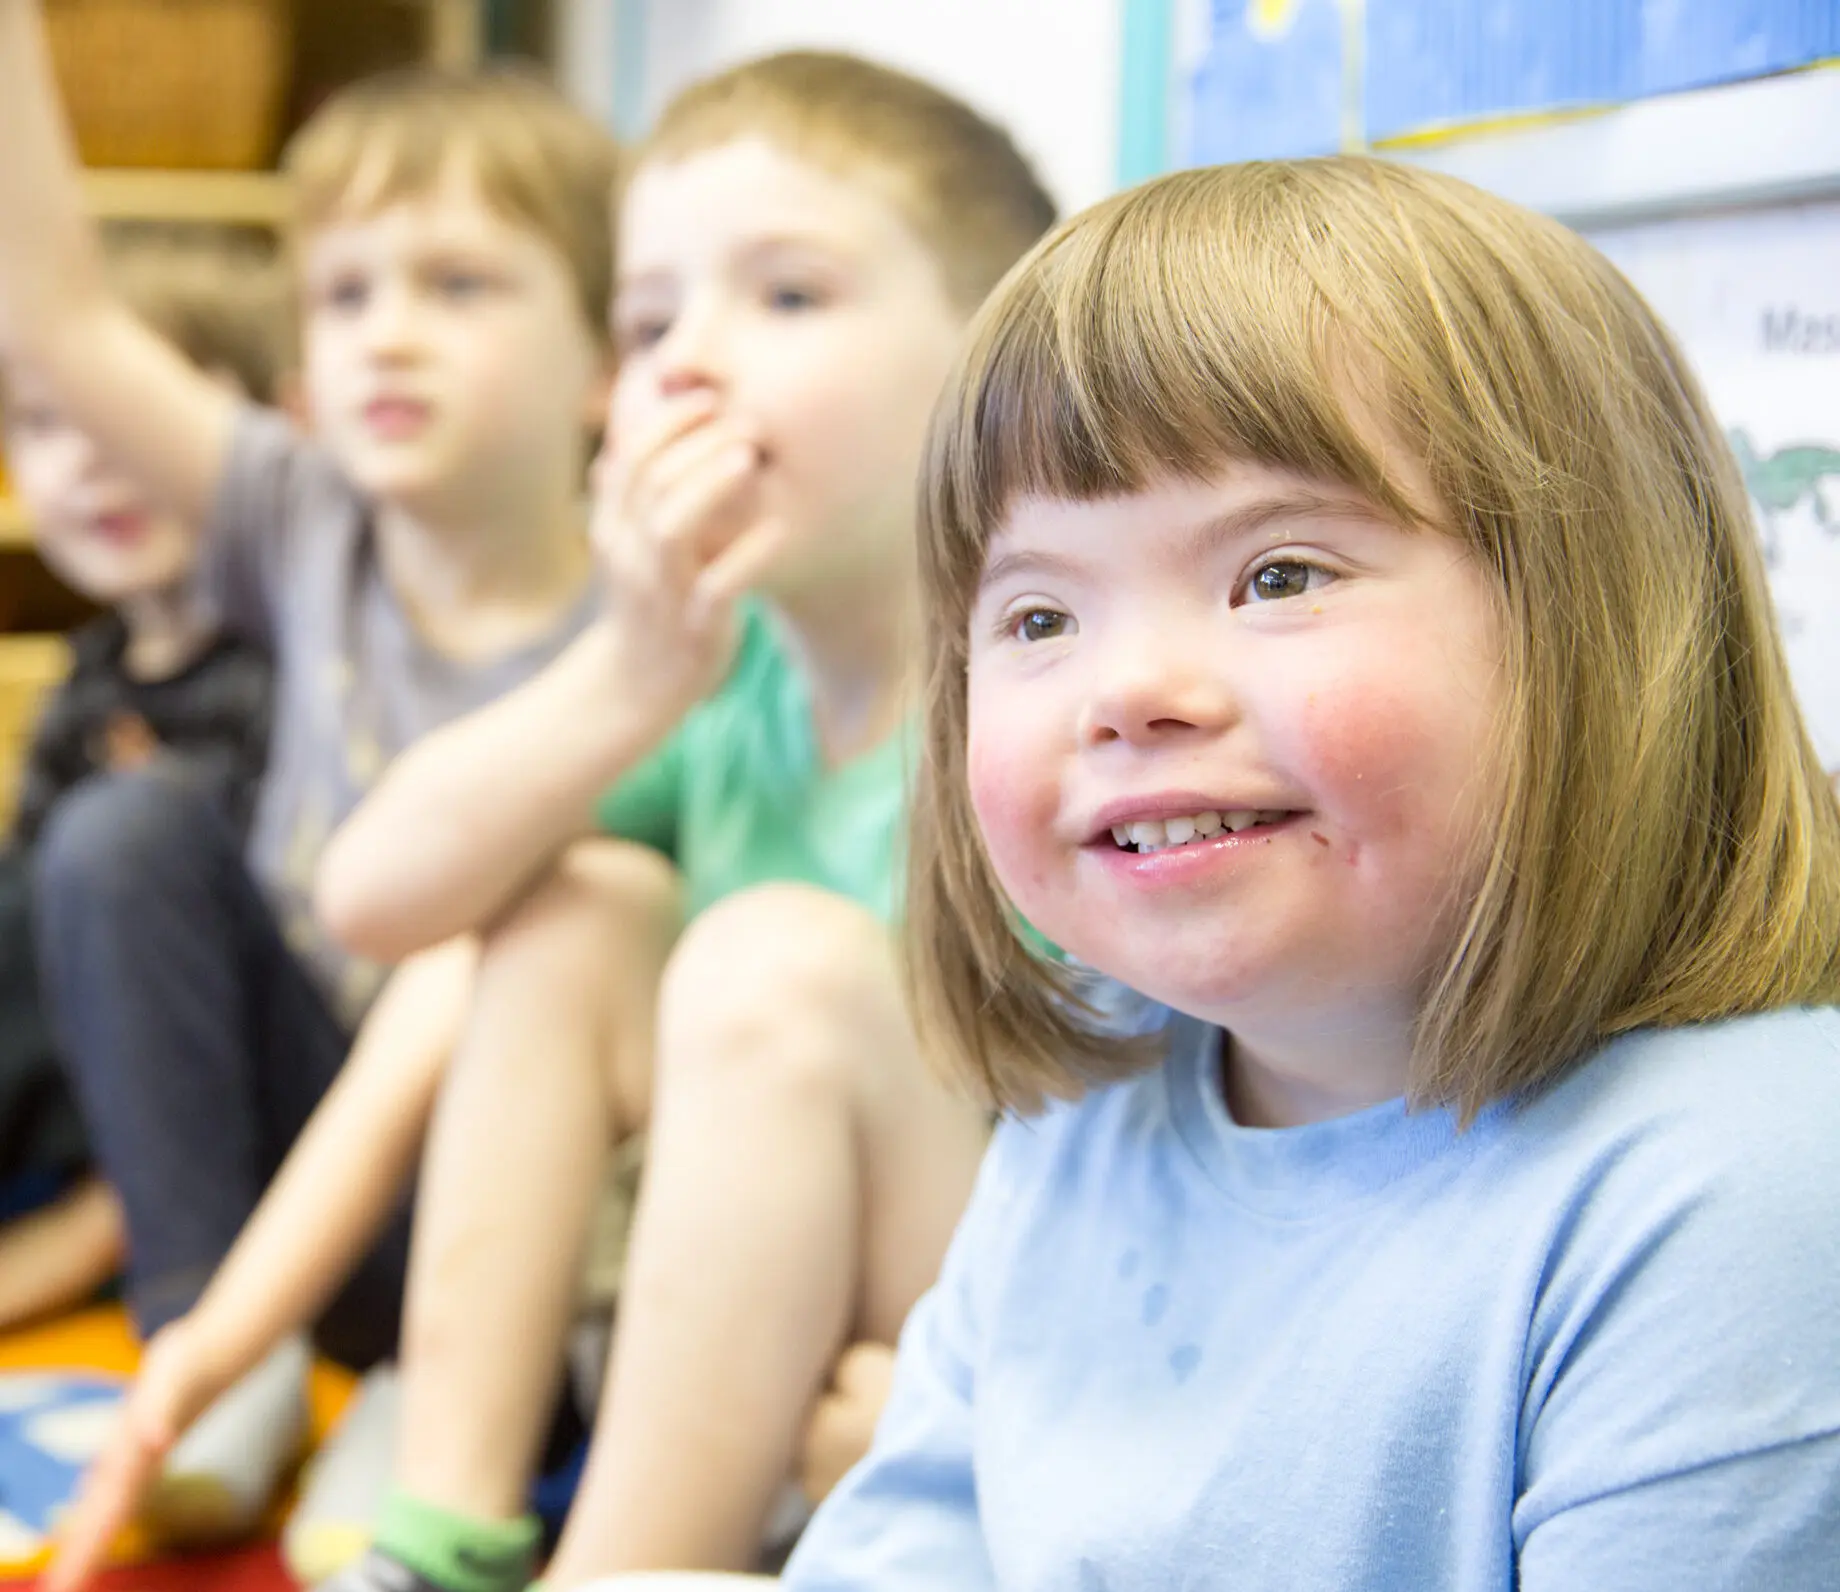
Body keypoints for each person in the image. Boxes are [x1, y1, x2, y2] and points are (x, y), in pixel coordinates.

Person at [772, 155, 1840, 1590]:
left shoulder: (1747, 1190)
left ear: (1600, 623)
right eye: (1037, 614)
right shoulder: (1099, 1103)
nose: (1128, 690)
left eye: (1280, 575)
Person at [299, 51, 1057, 1592]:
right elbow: (372, 899)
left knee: (774, 962)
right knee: (577, 904)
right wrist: (630, 673)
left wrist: (964, 1401)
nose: (688, 364)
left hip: (1014, 1339)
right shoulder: (730, 676)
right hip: (771, 1355)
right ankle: (444, 1535)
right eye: (648, 322)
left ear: (995, 353)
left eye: (784, 298)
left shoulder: (1046, 685)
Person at [0, 0, 618, 1560]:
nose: (388, 332)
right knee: (120, 833)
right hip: (301, 1183)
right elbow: (61, 322)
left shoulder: (643, 613)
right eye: (343, 296)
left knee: (547, 923)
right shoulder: (303, 523)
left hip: (520, 1227)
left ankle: (445, 1404)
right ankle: (222, 1340)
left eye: (459, 285)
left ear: (608, 361)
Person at [0, 232, 281, 1332]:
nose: (88, 460)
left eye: (127, 417)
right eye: (40, 425)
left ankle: (99, 1225)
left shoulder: (291, 666)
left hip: (215, 1101)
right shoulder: (88, 681)